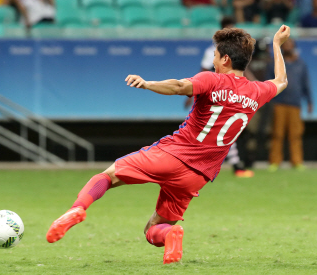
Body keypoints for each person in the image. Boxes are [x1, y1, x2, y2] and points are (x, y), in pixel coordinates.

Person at [46, 25, 291, 264]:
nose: (214, 62)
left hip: (173, 154)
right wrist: (276, 45)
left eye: (216, 57)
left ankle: (77, 209)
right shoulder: (257, 91)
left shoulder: (212, 80)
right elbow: (281, 81)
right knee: (154, 229)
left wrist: (147, 83)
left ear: (226, 59)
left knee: (108, 176)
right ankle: (169, 234)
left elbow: (179, 86)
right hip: (199, 175)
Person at [197, 16, 255, 178]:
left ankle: (236, 165)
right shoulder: (212, 52)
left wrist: (254, 83)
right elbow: (203, 71)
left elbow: (242, 70)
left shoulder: (237, 52)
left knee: (226, 128)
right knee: (215, 129)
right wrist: (195, 90)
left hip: (230, 93)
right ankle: (234, 165)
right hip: (215, 93)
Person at [267, 38, 312, 171]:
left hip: (295, 104)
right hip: (278, 103)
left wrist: (309, 101)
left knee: (295, 134)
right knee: (277, 133)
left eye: (289, 44)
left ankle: (297, 161)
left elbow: (306, 84)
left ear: (294, 47)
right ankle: (275, 161)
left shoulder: (300, 64)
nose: (287, 47)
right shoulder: (275, 64)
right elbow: (268, 82)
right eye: (285, 44)